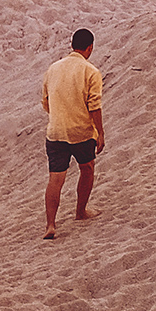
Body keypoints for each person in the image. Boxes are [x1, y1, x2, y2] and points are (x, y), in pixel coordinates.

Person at [40, 26, 105, 239]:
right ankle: (80, 212)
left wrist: (59, 114)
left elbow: (45, 102)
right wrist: (100, 133)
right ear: (89, 48)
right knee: (87, 168)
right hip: (81, 132)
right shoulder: (91, 71)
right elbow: (94, 106)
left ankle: (51, 225)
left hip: (56, 131)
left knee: (55, 179)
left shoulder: (53, 69)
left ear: (71, 46)